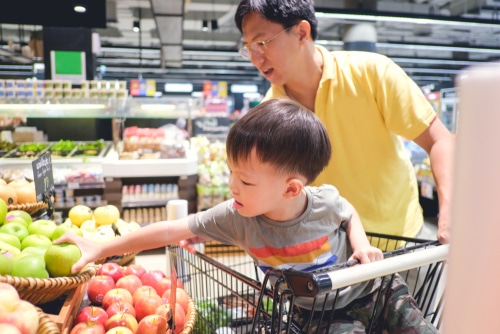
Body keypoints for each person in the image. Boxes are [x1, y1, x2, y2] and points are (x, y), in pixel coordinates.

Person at [58, 99, 436, 333]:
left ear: (291, 188)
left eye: (245, 180)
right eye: (230, 174)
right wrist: (104, 244)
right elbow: (171, 229)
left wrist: (362, 245)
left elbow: (347, 211)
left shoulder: (321, 202)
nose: (232, 188)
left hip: (377, 290)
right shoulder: (236, 217)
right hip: (321, 314)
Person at [233, 0, 455, 246]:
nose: (255, 58)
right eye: (248, 47)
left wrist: (449, 209)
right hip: (331, 256)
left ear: (301, 33)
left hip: (403, 238)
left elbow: (439, 140)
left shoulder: (372, 74)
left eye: (261, 43)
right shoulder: (269, 116)